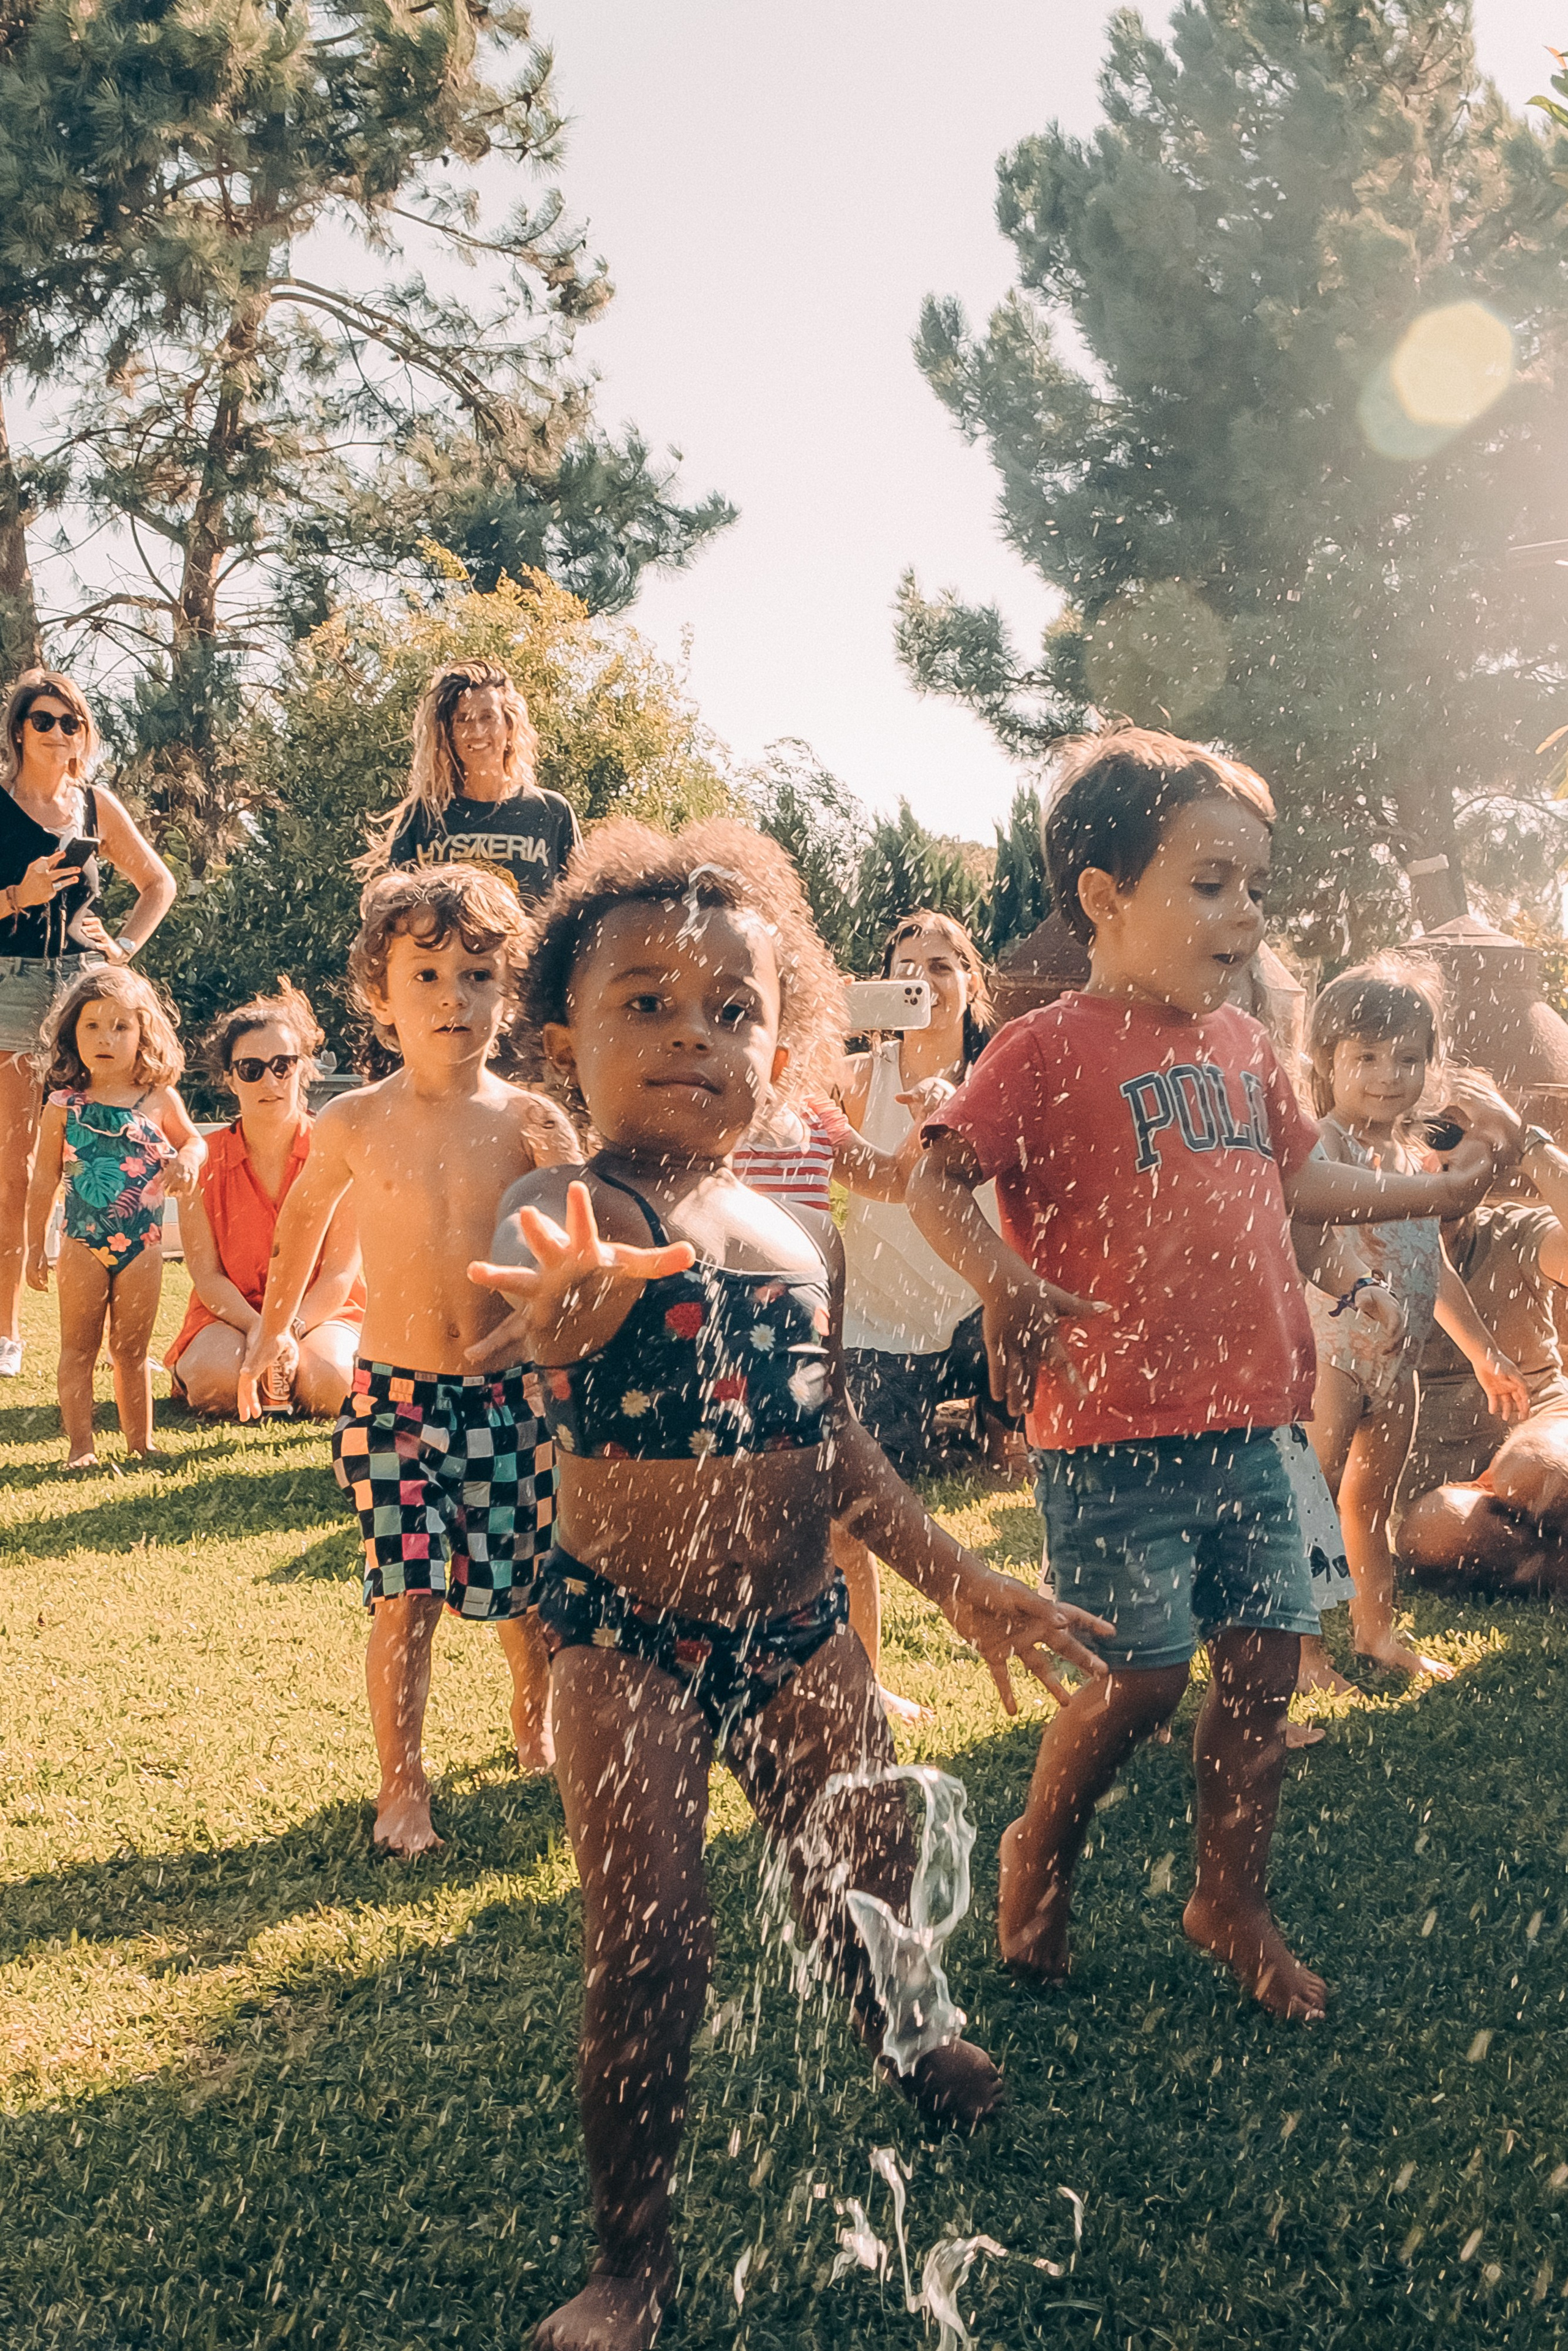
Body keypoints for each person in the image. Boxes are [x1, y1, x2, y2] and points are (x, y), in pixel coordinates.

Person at [467, 819, 1114, 2351]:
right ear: (563, 1041)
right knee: (647, 1943)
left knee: (869, 1869)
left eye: (732, 1009)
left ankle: (906, 2035)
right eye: (645, 1003)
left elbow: (828, 1449)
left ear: (786, 1035)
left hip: (795, 1628)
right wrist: (558, 1307)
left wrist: (958, 1580)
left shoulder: (791, 1230)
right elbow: (533, 1310)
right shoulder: (579, 1214)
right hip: (626, 1641)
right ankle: (629, 2256)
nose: (693, 1032)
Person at [908, 725, 1499, 2023]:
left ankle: (1226, 1895)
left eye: (1253, 884)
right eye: (1210, 882)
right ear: (1104, 898)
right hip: (1108, 1428)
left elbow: (1299, 1178)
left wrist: (1431, 1186)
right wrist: (1001, 1280)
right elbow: (936, 1177)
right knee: (1139, 1677)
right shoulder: (1046, 1045)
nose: (1243, 912)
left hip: (1250, 1422)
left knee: (1261, 1661)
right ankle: (1037, 1849)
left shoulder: (1238, 1046)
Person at [237, 867, 578, 1852]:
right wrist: (273, 1329)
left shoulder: (531, 1122)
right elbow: (304, 1219)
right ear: (379, 996)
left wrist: (554, 1311)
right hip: (391, 1398)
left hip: (508, 1396)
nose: (452, 998)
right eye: (425, 974)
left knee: (519, 1593)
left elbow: (576, 1234)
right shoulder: (353, 1120)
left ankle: (534, 1714)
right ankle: (403, 1789)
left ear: (505, 992)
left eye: (477, 975)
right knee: (408, 1583)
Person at [1292, 964, 1529, 1687]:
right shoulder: (1320, 1146)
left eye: (1407, 1058)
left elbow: (1433, 1264)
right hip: (1333, 1354)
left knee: (1369, 1503)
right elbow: (1307, 1241)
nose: (1388, 1075)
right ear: (1326, 1062)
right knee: (1311, 1503)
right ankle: (1299, 1654)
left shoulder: (1415, 1159)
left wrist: (1483, 1350)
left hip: (1400, 1366)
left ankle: (1376, 1633)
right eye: (1365, 1056)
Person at [834, 910, 1008, 1701]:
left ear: (971, 981)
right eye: (906, 967)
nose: (925, 981)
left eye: (942, 965)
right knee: (857, 1509)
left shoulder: (999, 1075)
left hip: (983, 1306)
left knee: (1060, 1462)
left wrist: (961, 1109)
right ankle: (864, 1674)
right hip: (882, 1316)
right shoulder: (857, 1076)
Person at [0, 668, 176, 1378]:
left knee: (106, 1159)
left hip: (86, 999)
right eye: (44, 720)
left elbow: (158, 883)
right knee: (13, 1173)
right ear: (19, 731)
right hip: (10, 989)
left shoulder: (97, 809)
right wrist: (20, 893)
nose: (59, 733)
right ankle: (7, 1333)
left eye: (71, 722)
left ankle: (121, 1343)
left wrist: (124, 949)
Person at [734, 1088, 929, 1713]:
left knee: (845, 1527)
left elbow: (892, 1180)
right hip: (726, 1348)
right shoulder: (707, 1111)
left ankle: (867, 1682)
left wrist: (927, 1125)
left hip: (808, 1345)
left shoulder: (814, 1112)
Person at [23, 966, 203, 1466]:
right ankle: (81, 1447)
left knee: (131, 1349)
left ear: (144, 1033)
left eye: (121, 1027)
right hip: (82, 1240)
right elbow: (43, 1181)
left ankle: (140, 1442)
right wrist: (37, 1245)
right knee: (77, 1348)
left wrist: (187, 1159)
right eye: (92, 1026)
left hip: (142, 1242)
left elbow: (194, 1140)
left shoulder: (159, 1098)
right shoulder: (63, 1106)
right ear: (71, 1035)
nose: (106, 1038)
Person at [1396, 1078, 1568, 1588]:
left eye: (1451, 1129)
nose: (1433, 1146)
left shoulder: (1515, 1231)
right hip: (1455, 1500)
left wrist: (1526, 1139)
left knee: (1530, 1471)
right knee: (1432, 1528)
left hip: (1544, 1435)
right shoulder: (1354, 1245)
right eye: (1421, 1128)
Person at [165, 980, 364, 1418]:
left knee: (330, 1386)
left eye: (283, 1065)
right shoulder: (203, 1161)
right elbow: (207, 1277)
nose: (270, 1080)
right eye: (251, 1069)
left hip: (317, 1314)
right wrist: (261, 1330)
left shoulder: (337, 1152)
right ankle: (211, 1368)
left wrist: (287, 1330)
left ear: (303, 1069)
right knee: (215, 1382)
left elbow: (339, 1275)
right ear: (230, 1078)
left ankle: (289, 1375)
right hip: (231, 1316)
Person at [363, 660, 580, 907]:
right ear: (448, 733)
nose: (476, 732)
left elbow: (580, 915)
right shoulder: (424, 817)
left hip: (527, 946)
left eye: (487, 717)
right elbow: (395, 918)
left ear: (509, 725)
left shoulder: (550, 812)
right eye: (462, 720)